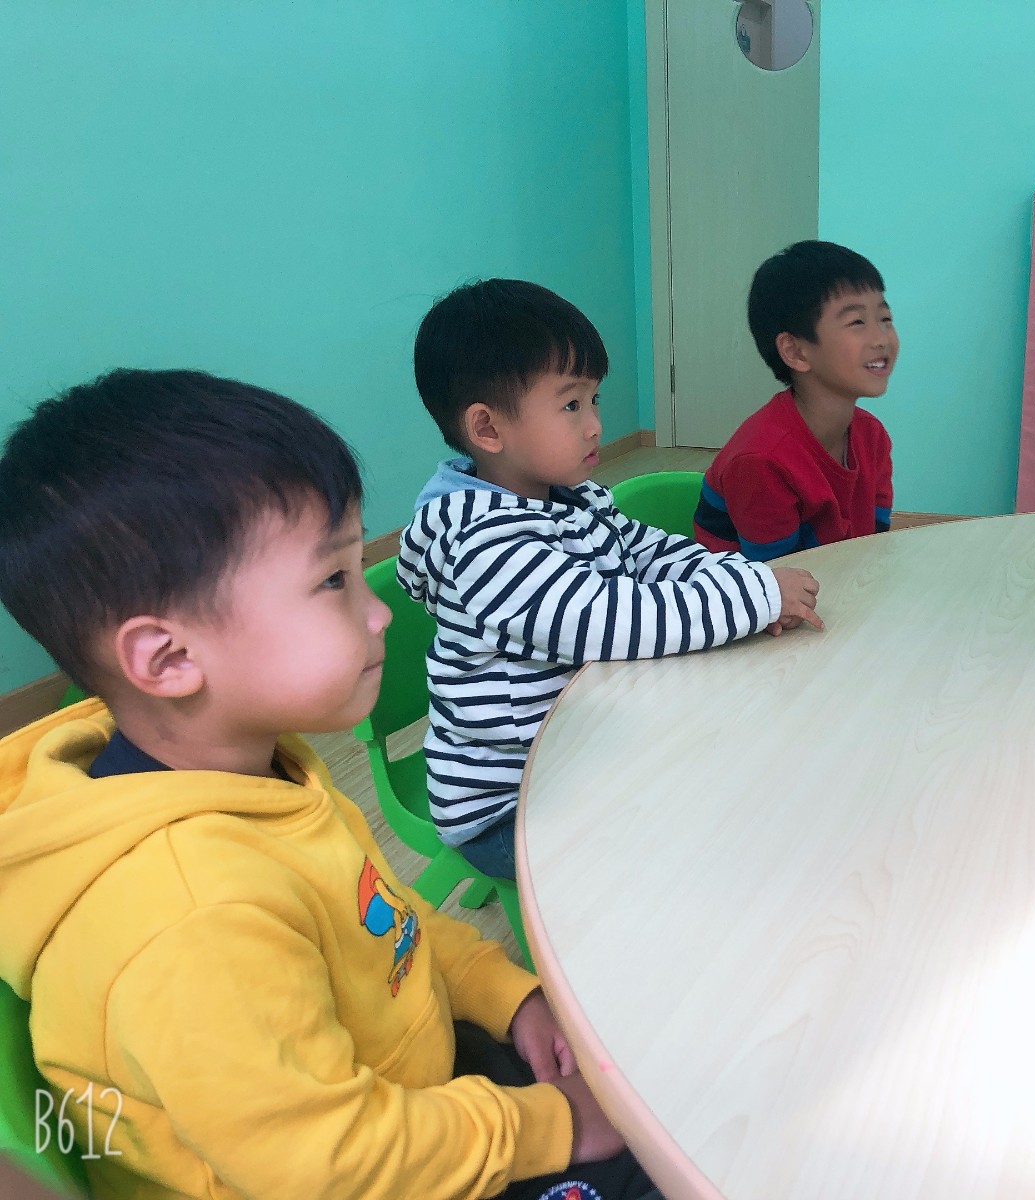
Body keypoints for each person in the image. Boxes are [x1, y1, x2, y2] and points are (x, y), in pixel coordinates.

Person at [0, 369, 655, 1199]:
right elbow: (333, 1163)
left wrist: (508, 998)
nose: (378, 612)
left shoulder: (254, 771)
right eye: (333, 581)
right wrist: (553, 1125)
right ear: (168, 660)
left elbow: (385, 918)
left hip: (414, 1086)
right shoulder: (193, 918)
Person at [401, 279, 822, 880]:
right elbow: (611, 618)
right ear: (488, 429)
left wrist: (743, 578)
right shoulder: (483, 546)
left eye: (593, 399)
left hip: (588, 746)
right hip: (514, 801)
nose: (596, 424)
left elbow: (649, 553)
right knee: (698, 840)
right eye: (571, 405)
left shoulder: (570, 499)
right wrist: (751, 599)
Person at [694, 240, 897, 560]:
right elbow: (775, 579)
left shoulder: (873, 437)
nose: (881, 338)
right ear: (796, 352)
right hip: (750, 586)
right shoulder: (761, 460)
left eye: (885, 318)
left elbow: (873, 544)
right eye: (857, 322)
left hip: (837, 577)